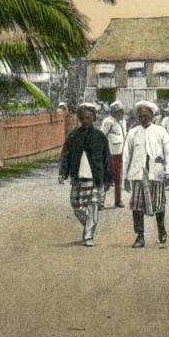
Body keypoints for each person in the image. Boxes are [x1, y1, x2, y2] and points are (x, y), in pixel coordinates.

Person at [122, 101, 169, 248]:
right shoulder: (133, 132)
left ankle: (161, 229)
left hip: (156, 173)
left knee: (158, 203)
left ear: (152, 116)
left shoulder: (160, 131)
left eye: (146, 116)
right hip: (138, 174)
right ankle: (140, 236)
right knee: (137, 205)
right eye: (140, 116)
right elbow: (126, 155)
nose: (143, 119)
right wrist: (125, 177)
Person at [59, 103, 112, 247]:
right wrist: (63, 173)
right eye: (82, 118)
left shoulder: (100, 136)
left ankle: (88, 235)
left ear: (93, 118)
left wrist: (108, 179)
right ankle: (90, 222)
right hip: (78, 178)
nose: (85, 120)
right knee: (77, 207)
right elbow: (66, 155)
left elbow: (106, 158)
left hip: (95, 178)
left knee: (93, 206)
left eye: (88, 118)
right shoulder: (74, 135)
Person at [100, 100, 127, 208]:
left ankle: (118, 200)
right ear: (114, 112)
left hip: (120, 153)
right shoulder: (108, 121)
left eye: (122, 112)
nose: (122, 114)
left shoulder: (122, 122)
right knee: (107, 177)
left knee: (118, 179)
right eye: (119, 112)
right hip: (110, 153)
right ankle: (101, 201)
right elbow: (102, 136)